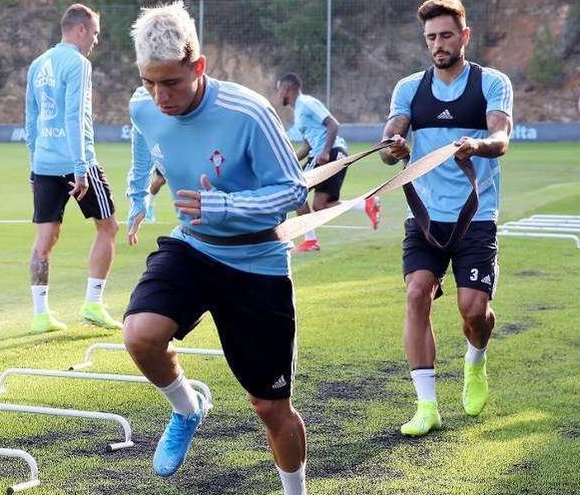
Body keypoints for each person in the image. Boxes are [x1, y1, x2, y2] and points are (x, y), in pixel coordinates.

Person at [123, 3, 308, 493]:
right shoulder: (142, 106)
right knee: (140, 335)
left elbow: (294, 191)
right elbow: (145, 143)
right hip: (192, 247)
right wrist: (139, 193)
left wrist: (226, 205)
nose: (159, 96)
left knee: (271, 408)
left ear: (197, 66)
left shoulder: (248, 113)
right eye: (149, 82)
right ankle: (187, 409)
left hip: (256, 262)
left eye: (172, 83)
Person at [379, 0, 513, 437]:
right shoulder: (409, 89)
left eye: (446, 35)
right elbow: (389, 144)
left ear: (464, 36)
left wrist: (475, 146)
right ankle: (427, 405)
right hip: (425, 218)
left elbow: (500, 137)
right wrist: (395, 147)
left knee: (475, 311)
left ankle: (475, 361)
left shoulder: (490, 83)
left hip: (476, 216)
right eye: (432, 37)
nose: (438, 44)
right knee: (417, 293)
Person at [24, 3, 121, 333]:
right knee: (108, 227)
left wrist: (32, 167)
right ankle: (93, 304)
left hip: (44, 164)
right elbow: (74, 117)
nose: (95, 40)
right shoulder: (78, 64)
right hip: (77, 162)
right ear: (80, 29)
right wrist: (81, 170)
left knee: (44, 239)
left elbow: (31, 119)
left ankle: (40, 315)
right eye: (94, 33)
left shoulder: (38, 65)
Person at [276, 72, 381, 252]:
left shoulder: (307, 103)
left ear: (287, 88)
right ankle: (366, 204)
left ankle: (310, 240)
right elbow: (307, 146)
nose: (278, 94)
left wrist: (325, 152)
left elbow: (333, 124)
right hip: (327, 153)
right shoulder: (299, 112)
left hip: (330, 152)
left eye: (279, 89)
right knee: (320, 205)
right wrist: (286, 160)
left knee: (295, 188)